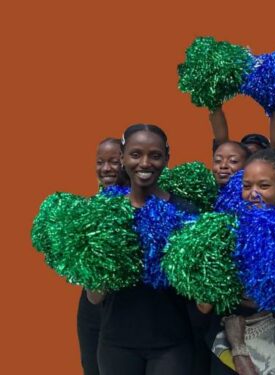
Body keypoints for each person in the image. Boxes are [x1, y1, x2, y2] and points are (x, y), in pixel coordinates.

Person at [88, 124, 197, 375]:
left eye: (155, 155)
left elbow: (195, 290)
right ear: (123, 156)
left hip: (172, 343)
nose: (145, 163)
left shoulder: (186, 212)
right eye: (136, 154)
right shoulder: (105, 212)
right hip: (117, 343)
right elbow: (95, 296)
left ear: (167, 158)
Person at [203, 148, 275, 375]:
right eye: (247, 186)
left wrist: (273, 269)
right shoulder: (227, 233)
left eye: (264, 185)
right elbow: (204, 305)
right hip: (226, 343)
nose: (253, 194)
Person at [76, 138, 127, 375]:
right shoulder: (88, 207)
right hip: (92, 307)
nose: (105, 168)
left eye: (113, 161)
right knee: (92, 367)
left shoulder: (142, 204)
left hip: (127, 307)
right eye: (100, 162)